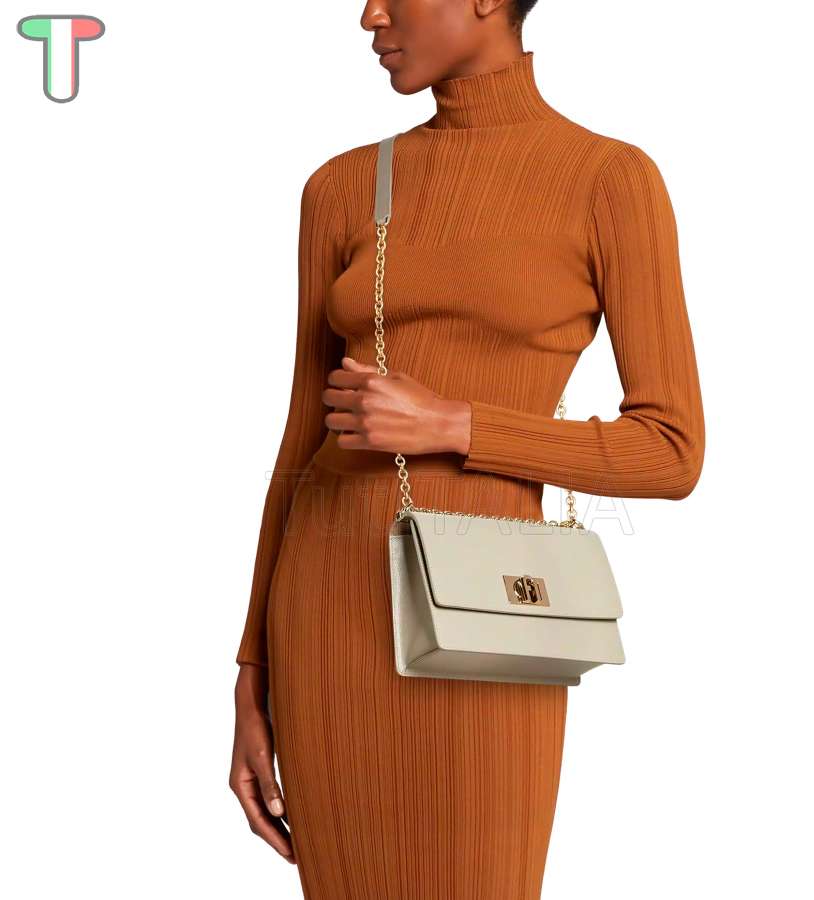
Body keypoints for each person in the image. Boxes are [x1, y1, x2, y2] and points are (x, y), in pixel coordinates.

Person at [230, 1, 705, 897]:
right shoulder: (341, 186)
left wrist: (456, 426)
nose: (368, 14)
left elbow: (672, 449)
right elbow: (299, 440)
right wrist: (251, 675)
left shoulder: (608, 178)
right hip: (326, 615)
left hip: (491, 619)